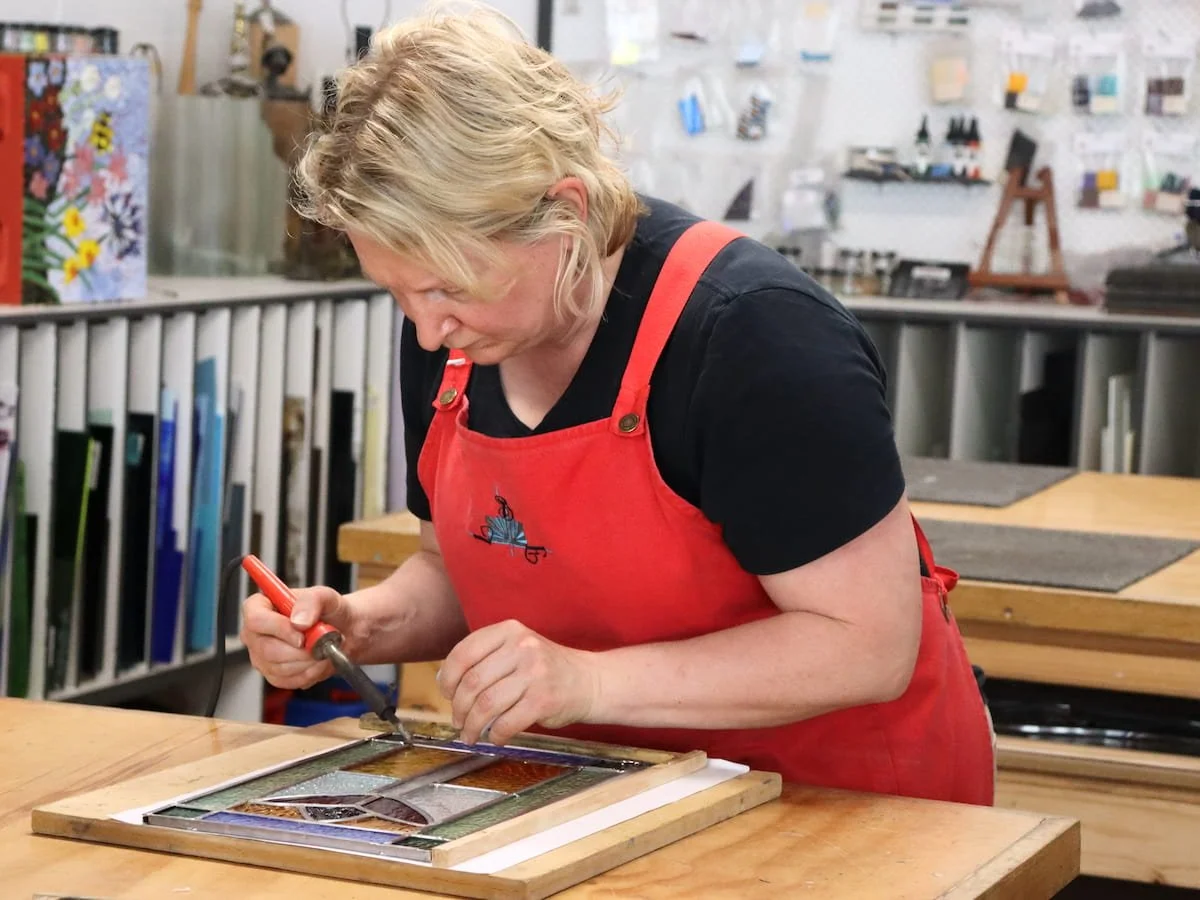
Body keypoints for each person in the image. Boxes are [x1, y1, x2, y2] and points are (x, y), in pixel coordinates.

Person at [241, 1, 995, 806]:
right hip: (601, 802)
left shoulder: (755, 338)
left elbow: (866, 646)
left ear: (563, 212)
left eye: (444, 288)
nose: (426, 332)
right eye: (398, 294)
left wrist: (585, 683)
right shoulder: (455, 338)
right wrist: (358, 627)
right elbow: (460, 571)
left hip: (843, 811)